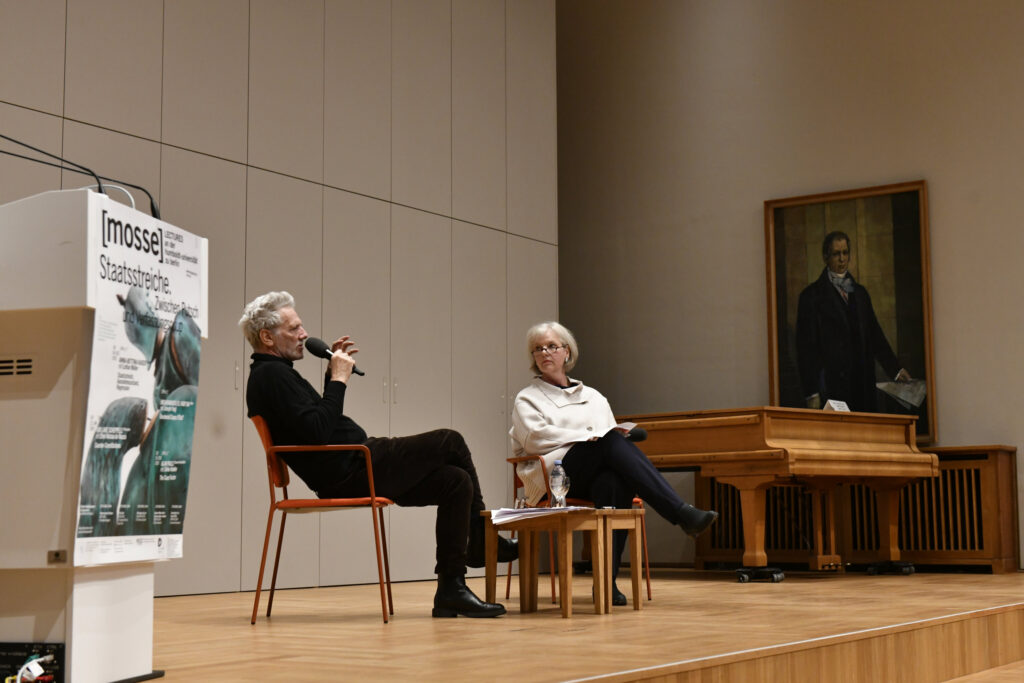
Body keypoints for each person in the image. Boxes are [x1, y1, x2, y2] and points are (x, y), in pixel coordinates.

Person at [239, 291, 516, 619]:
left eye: (301, 327)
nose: (304, 335)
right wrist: (339, 381)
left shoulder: (276, 373)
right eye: (294, 329)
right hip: (351, 469)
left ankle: (450, 590)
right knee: (450, 441)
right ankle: (482, 540)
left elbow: (312, 424)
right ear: (267, 336)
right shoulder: (270, 376)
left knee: (455, 482)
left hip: (354, 464)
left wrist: (330, 375)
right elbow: (317, 432)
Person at [509, 321, 718, 605]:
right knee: (609, 442)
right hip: (551, 475)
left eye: (552, 346)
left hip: (591, 471)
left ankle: (606, 583)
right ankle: (681, 512)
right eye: (538, 349)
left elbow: (609, 440)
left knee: (614, 478)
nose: (545, 352)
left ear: (567, 353)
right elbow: (535, 438)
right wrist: (588, 437)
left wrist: (602, 438)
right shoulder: (527, 398)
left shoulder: (593, 397)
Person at [796, 231, 911, 412]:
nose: (842, 259)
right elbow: (805, 351)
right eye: (836, 254)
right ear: (825, 257)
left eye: (845, 253)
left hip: (862, 384)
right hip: (833, 389)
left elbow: (875, 336)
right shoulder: (811, 297)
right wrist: (812, 393)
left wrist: (895, 370)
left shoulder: (860, 294)